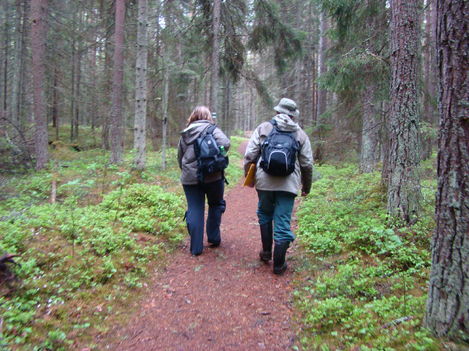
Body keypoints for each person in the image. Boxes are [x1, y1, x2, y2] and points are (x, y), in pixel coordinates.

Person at [244, 98, 313, 274]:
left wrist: (249, 177)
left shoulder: (263, 128)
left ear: (277, 112)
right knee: (282, 221)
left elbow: (250, 154)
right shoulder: (300, 134)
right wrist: (306, 186)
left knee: (265, 213)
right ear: (293, 115)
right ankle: (279, 264)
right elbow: (307, 164)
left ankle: (267, 252)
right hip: (288, 184)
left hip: (264, 181)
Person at [177, 106, 230, 256]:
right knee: (216, 204)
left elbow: (180, 156)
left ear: (193, 116)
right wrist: (218, 154)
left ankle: (196, 248)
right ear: (208, 116)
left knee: (194, 208)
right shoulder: (212, 129)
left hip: (190, 178)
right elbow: (226, 143)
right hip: (213, 175)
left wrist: (186, 171)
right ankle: (213, 237)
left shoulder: (185, 133)